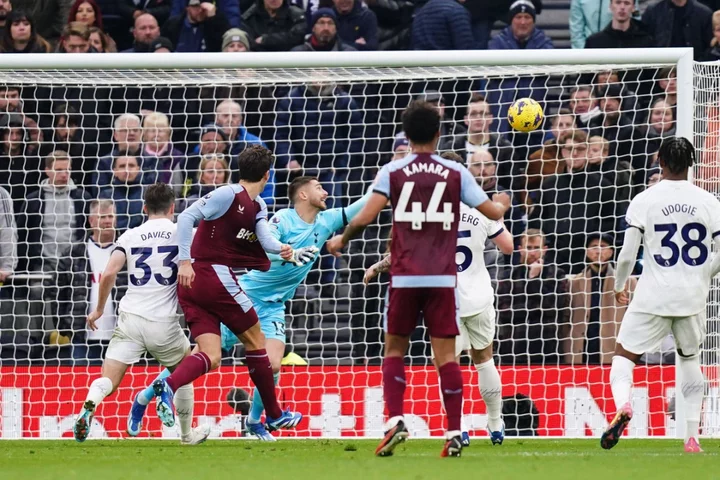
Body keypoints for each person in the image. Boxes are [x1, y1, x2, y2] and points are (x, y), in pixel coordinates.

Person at [326, 100, 510, 457]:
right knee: (449, 357)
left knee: (394, 349)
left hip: (407, 275)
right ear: (439, 134)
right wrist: (501, 202)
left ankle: (395, 420)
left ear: (406, 136)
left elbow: (365, 216)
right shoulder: (455, 173)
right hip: (443, 280)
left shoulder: (393, 171)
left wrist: (341, 239)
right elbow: (493, 212)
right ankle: (455, 431)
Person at [130, 176, 368, 440]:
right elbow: (266, 250)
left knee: (273, 364)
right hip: (247, 294)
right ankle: (144, 397)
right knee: (202, 356)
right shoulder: (281, 219)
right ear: (302, 194)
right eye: (318, 187)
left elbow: (364, 205)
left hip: (274, 306)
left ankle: (255, 421)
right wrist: (289, 252)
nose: (325, 191)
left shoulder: (328, 220)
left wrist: (387, 182)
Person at [150, 145, 305, 433]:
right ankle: (272, 414)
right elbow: (185, 218)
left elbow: (265, 239)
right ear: (268, 175)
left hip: (195, 285)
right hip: (209, 273)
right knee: (257, 339)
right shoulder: (227, 194)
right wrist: (185, 261)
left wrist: (283, 249)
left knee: (212, 355)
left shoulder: (259, 207)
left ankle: (167, 386)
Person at [363, 166, 514, 447]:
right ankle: (495, 423)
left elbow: (402, 252)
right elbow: (508, 246)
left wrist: (378, 266)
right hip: (480, 298)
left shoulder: (428, 215)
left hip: (446, 301)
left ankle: (462, 427)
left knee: (447, 363)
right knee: (484, 360)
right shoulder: (482, 211)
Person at [603, 137, 720, 453]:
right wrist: (703, 274)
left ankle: (624, 405)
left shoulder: (644, 199)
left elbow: (628, 254)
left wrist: (619, 285)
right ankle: (692, 436)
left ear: (660, 161)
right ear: (692, 163)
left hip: (653, 295)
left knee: (623, 357)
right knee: (690, 359)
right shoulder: (709, 202)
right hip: (692, 297)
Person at [71, 183, 211, 446]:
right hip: (164, 323)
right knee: (183, 375)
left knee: (109, 380)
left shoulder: (130, 235)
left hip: (130, 318)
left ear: (144, 208)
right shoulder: (186, 233)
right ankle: (185, 435)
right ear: (173, 208)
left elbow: (110, 272)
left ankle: (89, 403)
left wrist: (99, 309)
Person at [496, 228, 570, 365]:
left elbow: (553, 308)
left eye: (536, 248)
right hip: (513, 351)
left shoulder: (557, 274)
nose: (532, 252)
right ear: (520, 249)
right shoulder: (508, 276)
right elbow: (505, 313)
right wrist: (535, 306)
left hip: (548, 351)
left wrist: (533, 280)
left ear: (545, 249)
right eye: (528, 247)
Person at [565, 234, 636, 365]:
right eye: (593, 247)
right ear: (586, 251)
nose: (598, 251)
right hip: (582, 346)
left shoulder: (627, 281)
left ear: (611, 251)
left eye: (603, 247)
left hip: (613, 346)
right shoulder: (574, 282)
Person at [641, 0, 713, 60]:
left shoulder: (704, 13)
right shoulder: (653, 11)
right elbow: (645, 42)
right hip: (660, 68)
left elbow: (709, 47)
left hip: (695, 68)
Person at [162, 0, 229, 52]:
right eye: (196, 6)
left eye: (203, 7)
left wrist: (212, 19)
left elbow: (218, 48)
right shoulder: (173, 25)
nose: (200, 10)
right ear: (187, 7)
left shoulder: (218, 24)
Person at [584, 0, 653, 49]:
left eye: (626, 3)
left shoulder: (645, 42)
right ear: (610, 6)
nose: (622, 7)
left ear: (633, 8)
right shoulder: (594, 42)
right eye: (618, 2)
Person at [241, 0, 306, 51]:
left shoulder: (296, 15)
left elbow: (297, 38)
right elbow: (249, 42)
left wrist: (266, 40)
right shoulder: (249, 17)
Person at [411, 0, 476, 50]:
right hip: (447, 64)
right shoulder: (457, 11)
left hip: (421, 63)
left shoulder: (423, 10)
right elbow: (465, 47)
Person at [488, 0, 553, 50]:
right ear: (511, 21)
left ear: (533, 22)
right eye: (518, 17)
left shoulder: (544, 43)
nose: (523, 22)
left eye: (527, 17)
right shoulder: (498, 43)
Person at [291, 8, 356, 51]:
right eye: (321, 23)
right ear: (313, 28)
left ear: (335, 29)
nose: (326, 28)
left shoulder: (348, 53)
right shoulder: (298, 53)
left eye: (330, 23)